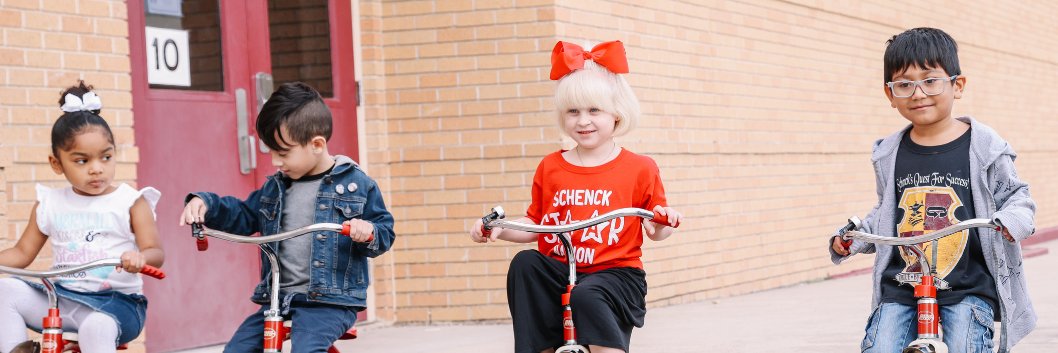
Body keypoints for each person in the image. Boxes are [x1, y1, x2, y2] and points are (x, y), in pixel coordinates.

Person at [828, 28, 1036, 353]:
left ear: (958, 85)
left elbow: (1017, 197)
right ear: (889, 94)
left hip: (966, 284)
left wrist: (1011, 221)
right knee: (881, 344)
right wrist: (854, 238)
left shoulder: (984, 147)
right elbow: (885, 212)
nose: (918, 92)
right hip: (903, 283)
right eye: (904, 84)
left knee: (966, 342)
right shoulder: (889, 152)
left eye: (930, 80)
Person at [469, 40, 682, 353]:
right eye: (573, 112)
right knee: (526, 264)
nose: (583, 121)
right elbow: (536, 224)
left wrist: (665, 223)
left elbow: (656, 226)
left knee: (587, 293)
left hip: (615, 275)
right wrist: (500, 228)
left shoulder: (640, 168)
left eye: (594, 110)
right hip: (560, 268)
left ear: (617, 115)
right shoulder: (551, 166)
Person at [179, 82, 395, 353]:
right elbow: (244, 215)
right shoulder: (277, 188)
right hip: (279, 299)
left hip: (330, 302)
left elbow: (384, 231)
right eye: (271, 152)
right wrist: (206, 204)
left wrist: (368, 231)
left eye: (283, 153)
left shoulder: (356, 185)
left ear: (316, 144)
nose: (275, 162)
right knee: (237, 350)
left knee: (306, 349)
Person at [0, 81, 165, 353]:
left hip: (117, 304)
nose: (96, 169)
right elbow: (21, 253)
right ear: (57, 164)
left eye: (105, 157)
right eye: (81, 161)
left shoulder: (131, 201)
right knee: (5, 292)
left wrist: (141, 258)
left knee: (95, 327)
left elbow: (155, 251)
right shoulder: (50, 203)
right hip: (61, 299)